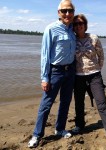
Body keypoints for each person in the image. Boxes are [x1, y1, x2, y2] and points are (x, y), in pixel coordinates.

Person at [28, 0, 76, 148]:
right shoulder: (51, 29)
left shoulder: (73, 29)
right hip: (55, 71)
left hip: (70, 71)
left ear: (73, 13)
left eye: (70, 11)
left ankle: (60, 128)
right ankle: (37, 135)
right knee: (46, 104)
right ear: (58, 13)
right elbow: (45, 55)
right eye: (64, 11)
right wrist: (44, 77)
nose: (67, 13)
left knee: (65, 102)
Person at [72, 14, 106, 145]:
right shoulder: (71, 39)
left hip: (94, 75)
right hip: (78, 76)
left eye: (81, 23)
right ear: (73, 26)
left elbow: (101, 56)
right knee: (79, 102)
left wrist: (96, 70)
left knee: (102, 103)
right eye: (76, 24)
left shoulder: (93, 38)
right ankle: (79, 125)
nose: (79, 26)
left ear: (85, 25)